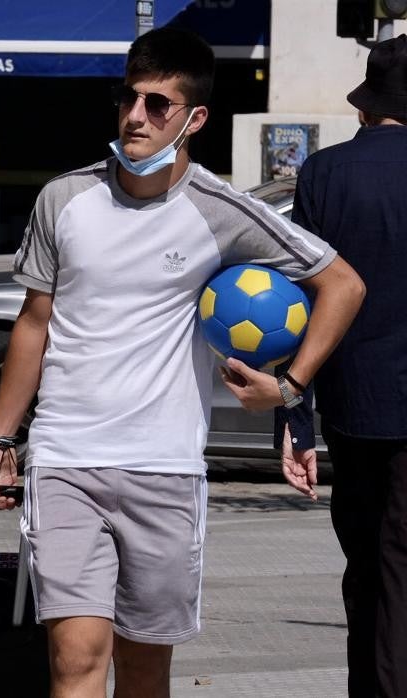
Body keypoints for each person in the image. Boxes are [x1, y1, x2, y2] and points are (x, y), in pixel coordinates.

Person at [0, 27, 365, 698]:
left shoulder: (220, 210)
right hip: (66, 458)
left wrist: (291, 385)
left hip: (166, 468)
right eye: (129, 98)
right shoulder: (65, 200)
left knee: (145, 668)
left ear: (194, 118)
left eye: (158, 104)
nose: (136, 116)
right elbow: (32, 325)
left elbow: (343, 284)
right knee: (74, 659)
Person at [278, 34, 407, 697]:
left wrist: (295, 418)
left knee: (365, 569)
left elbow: (301, 304)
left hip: (351, 409)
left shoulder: (323, 174)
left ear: (364, 108)